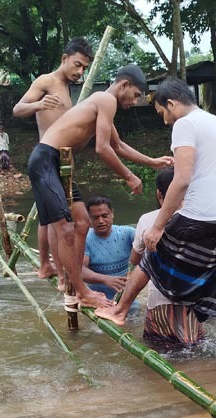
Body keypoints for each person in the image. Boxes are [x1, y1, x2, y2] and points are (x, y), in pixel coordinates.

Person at [96, 77, 216, 366]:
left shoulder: (185, 124)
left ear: (171, 103)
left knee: (152, 254)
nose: (165, 121)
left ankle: (118, 312)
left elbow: (181, 180)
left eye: (162, 113)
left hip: (205, 215)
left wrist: (157, 227)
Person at [27, 64, 173, 309]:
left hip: (58, 163)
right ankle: (81, 290)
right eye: (136, 95)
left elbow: (118, 145)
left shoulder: (102, 103)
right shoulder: (106, 100)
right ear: (124, 85)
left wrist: (152, 162)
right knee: (65, 228)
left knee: (83, 223)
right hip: (46, 161)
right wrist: (128, 176)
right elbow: (102, 147)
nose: (134, 102)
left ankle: (65, 275)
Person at [13, 38, 93, 281]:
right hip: (47, 158)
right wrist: (39, 104)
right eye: (77, 65)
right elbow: (18, 109)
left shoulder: (67, 88)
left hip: (62, 161)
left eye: (84, 68)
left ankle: (48, 266)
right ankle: (59, 272)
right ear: (64, 59)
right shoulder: (46, 81)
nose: (80, 72)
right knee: (57, 221)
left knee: (50, 218)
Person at [132, 168, 204, 348]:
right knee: (193, 347)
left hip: (159, 299)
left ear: (159, 194)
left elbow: (135, 260)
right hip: (193, 297)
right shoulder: (200, 219)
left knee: (159, 346)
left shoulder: (147, 220)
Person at [81, 195, 134, 300]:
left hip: (125, 298)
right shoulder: (84, 239)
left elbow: (145, 240)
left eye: (104, 216)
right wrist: (105, 279)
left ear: (112, 213)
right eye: (95, 218)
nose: (101, 221)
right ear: (89, 218)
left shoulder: (127, 233)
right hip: (97, 298)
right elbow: (80, 271)